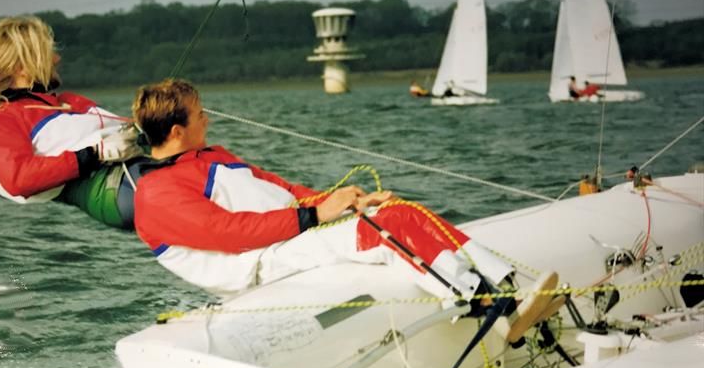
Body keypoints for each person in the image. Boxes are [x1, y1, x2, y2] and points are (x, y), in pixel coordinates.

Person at [129, 79, 562, 343]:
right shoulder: (157, 193)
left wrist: (341, 201)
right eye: (202, 115)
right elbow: (229, 233)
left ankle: (509, 287)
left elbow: (285, 190)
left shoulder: (211, 155)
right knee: (386, 227)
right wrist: (317, 217)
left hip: (291, 235)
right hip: (261, 261)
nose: (209, 120)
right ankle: (486, 305)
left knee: (400, 210)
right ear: (176, 130)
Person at [0, 16, 143, 229]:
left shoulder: (70, 102)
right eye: (48, 53)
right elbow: (19, 179)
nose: (56, 59)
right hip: (120, 189)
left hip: (145, 168)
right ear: (21, 68)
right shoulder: (1, 121)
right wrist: (93, 154)